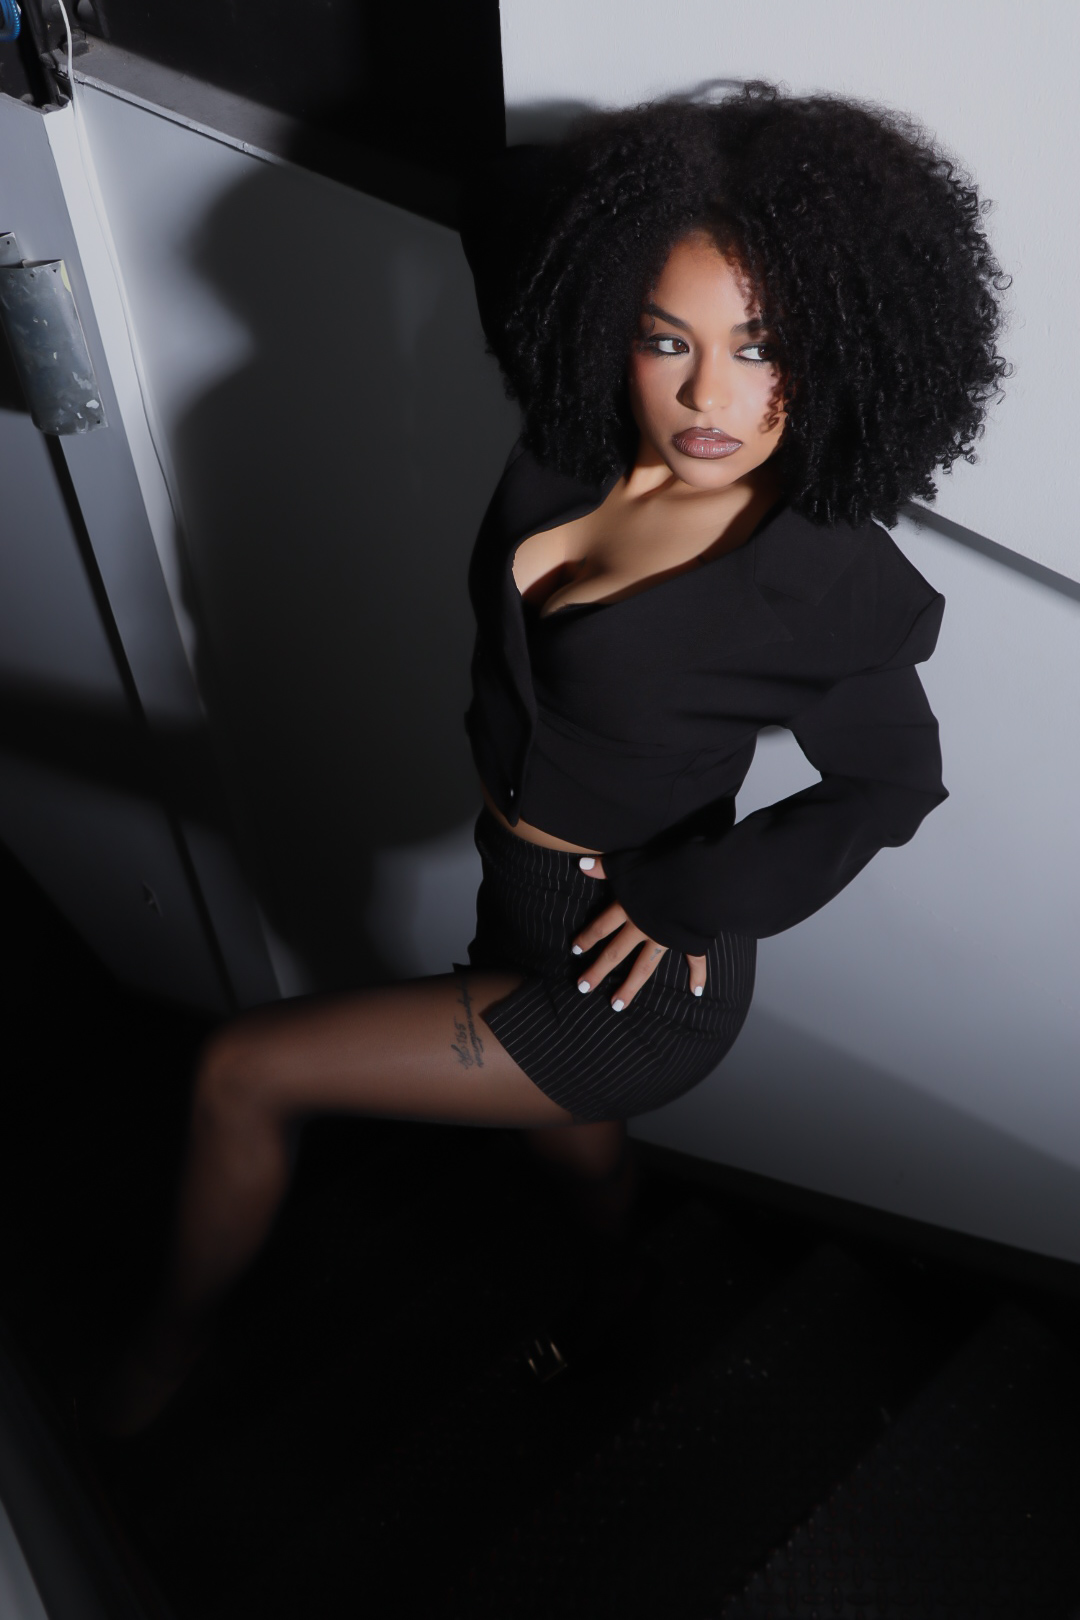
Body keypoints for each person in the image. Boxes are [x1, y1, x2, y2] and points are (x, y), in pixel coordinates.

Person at [99, 80, 1009, 1432]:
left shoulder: (820, 574)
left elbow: (894, 782)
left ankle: (155, 1368)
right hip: (512, 888)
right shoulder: (576, 439)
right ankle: (619, 1274)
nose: (707, 396)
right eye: (665, 338)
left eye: (763, 346)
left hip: (635, 977)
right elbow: (506, 199)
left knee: (244, 1070)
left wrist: (692, 896)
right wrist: (678, 184)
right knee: (566, 1148)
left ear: (838, 339)